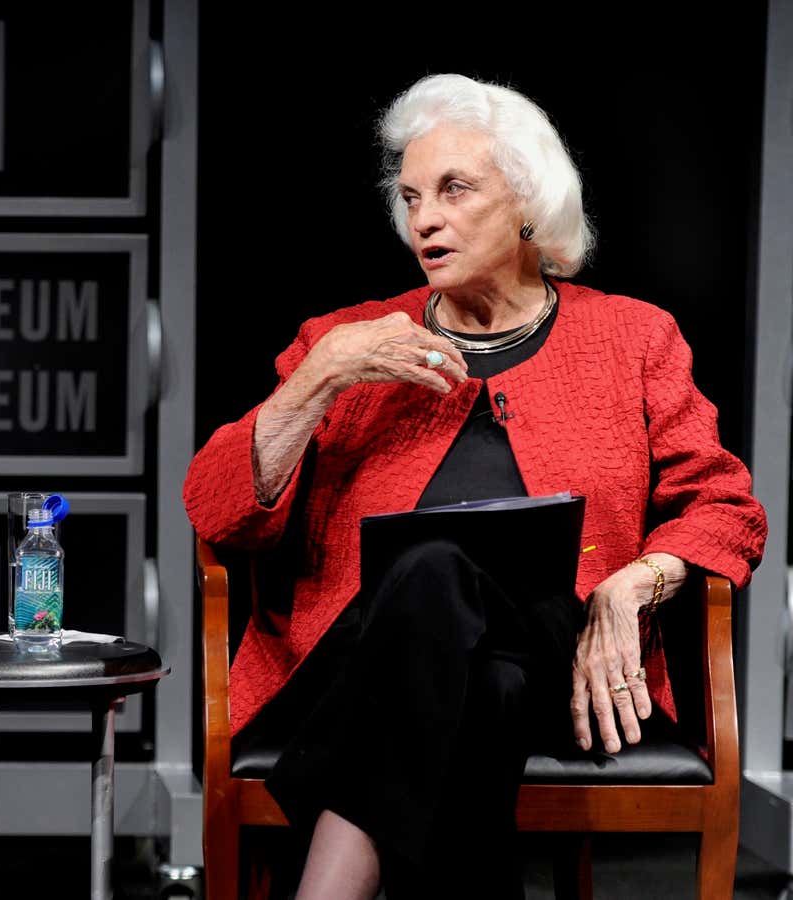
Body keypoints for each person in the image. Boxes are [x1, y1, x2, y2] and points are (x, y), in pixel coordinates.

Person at [182, 74, 766, 899]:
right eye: (412, 196)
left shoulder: (632, 337)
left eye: (455, 189)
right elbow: (216, 505)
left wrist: (635, 581)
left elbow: (726, 507)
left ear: (528, 201)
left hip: (560, 667)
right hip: (357, 660)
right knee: (456, 630)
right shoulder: (345, 342)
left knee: (438, 582)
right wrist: (322, 376)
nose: (424, 217)